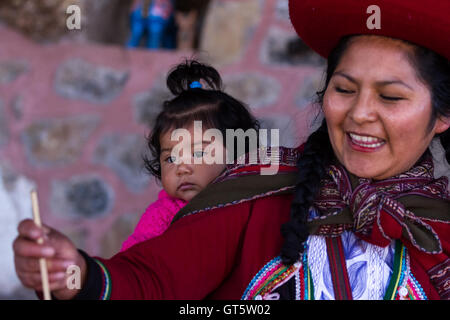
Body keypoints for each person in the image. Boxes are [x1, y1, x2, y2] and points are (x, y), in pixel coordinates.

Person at [13, 0, 450, 300]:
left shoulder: (442, 232)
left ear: (442, 116)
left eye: (390, 97)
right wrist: (77, 275)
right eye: (344, 89)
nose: (359, 114)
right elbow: (157, 281)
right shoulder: (257, 192)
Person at [121, 59, 260, 251]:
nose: (181, 168)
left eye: (197, 153)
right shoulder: (164, 214)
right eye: (171, 158)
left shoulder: (251, 201)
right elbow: (136, 256)